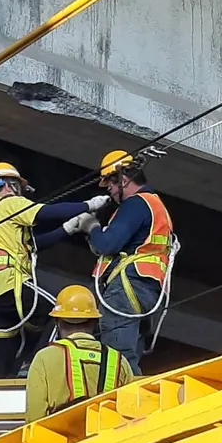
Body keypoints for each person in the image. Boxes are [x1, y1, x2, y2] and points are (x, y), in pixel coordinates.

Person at [0, 161, 110, 377]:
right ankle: (33, 365)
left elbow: (32, 246)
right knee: (59, 311)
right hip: (12, 285)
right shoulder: (9, 203)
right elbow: (46, 212)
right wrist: (88, 205)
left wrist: (67, 228)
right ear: (9, 185)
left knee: (2, 350)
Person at [72, 151, 175, 375]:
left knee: (116, 357)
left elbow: (108, 245)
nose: (108, 188)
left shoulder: (136, 204)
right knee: (127, 356)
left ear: (124, 179)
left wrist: (92, 227)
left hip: (127, 287)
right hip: (146, 289)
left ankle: (121, 393)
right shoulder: (155, 206)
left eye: (110, 182)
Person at [25, 285, 132, 422]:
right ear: (95, 322)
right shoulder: (120, 362)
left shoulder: (44, 358)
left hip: (60, 436)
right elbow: (130, 413)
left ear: (57, 322)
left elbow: (34, 417)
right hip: (107, 435)